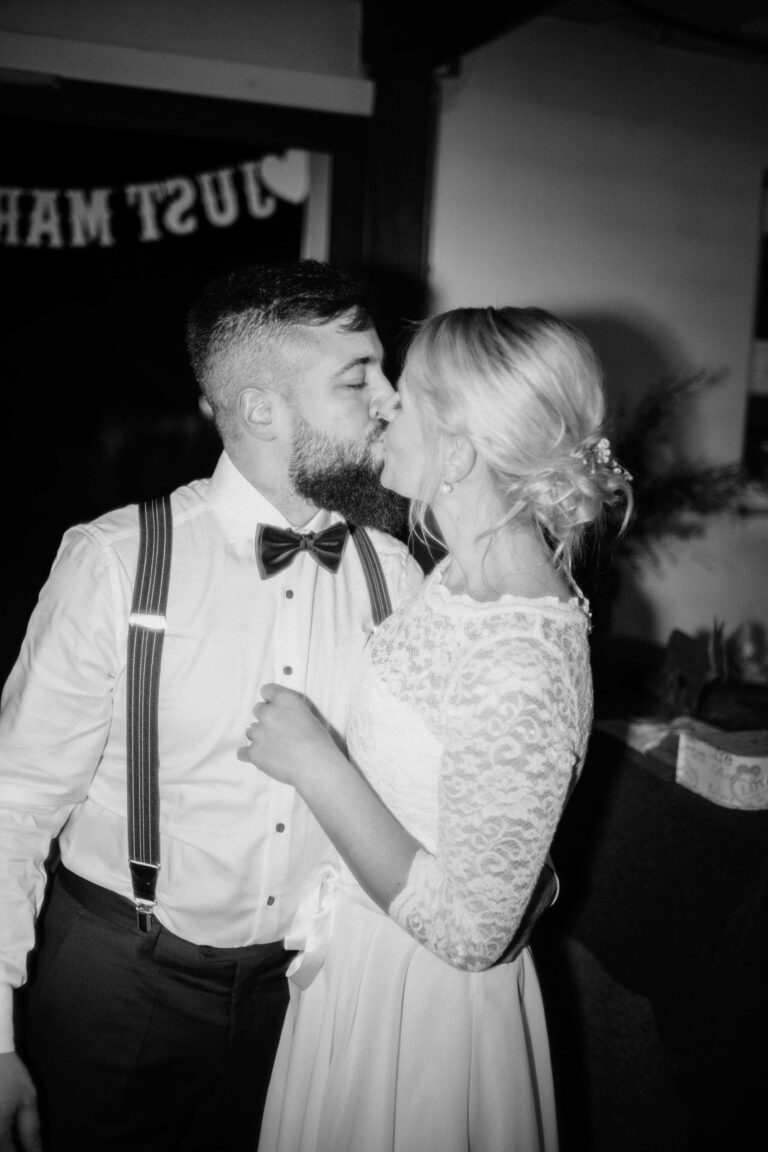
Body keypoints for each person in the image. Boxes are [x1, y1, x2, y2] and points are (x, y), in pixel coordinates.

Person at [0, 259, 423, 1152]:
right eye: (360, 377)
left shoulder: (398, 572)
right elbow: (13, 807)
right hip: (117, 986)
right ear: (264, 408)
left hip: (312, 995)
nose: (390, 399)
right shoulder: (115, 562)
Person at [239, 305, 634, 1152]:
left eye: (406, 396)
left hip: (421, 1013)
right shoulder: (456, 577)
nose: (381, 405)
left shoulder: (521, 652)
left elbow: (471, 931)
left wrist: (317, 765)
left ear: (457, 452)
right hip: (366, 968)